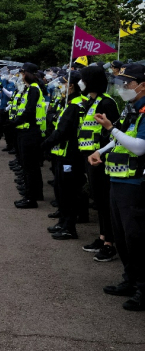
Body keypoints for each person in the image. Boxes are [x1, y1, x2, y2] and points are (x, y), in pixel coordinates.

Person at [90, 63, 145, 310]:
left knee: (136, 238)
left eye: (128, 83)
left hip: (136, 184)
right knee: (122, 236)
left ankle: (143, 289)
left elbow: (139, 147)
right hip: (118, 179)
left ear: (142, 85)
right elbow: (119, 139)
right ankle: (130, 281)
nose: (123, 87)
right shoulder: (133, 108)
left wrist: (110, 127)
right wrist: (100, 151)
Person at [77, 64, 119, 262]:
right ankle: (103, 237)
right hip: (91, 157)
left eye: (83, 79)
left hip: (101, 160)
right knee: (99, 199)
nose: (81, 83)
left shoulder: (106, 103)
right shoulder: (92, 101)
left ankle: (109, 243)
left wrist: (101, 154)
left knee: (103, 199)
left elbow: (113, 133)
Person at [41, 72, 87, 240]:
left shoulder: (75, 105)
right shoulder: (69, 103)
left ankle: (69, 227)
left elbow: (62, 131)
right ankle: (63, 222)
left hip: (70, 155)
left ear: (72, 86)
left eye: (64, 83)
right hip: (62, 154)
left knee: (68, 193)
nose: (61, 86)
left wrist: (45, 144)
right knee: (61, 190)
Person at [12, 62, 47, 209]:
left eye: (22, 72)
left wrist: (14, 122)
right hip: (28, 131)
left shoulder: (33, 90)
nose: (21, 75)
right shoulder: (30, 89)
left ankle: (30, 198)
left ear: (27, 74)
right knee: (31, 166)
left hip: (30, 131)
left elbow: (29, 111)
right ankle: (36, 193)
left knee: (29, 167)